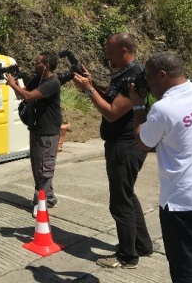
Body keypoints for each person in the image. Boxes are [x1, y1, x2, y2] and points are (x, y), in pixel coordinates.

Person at [129, 52, 192, 283]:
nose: (148, 83)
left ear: (163, 75)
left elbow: (143, 142)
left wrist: (138, 107)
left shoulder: (164, 109)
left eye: (150, 78)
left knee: (185, 262)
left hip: (183, 201)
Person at [72, 33, 153, 269]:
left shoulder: (135, 77)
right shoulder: (124, 74)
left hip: (125, 146)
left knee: (120, 203)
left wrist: (88, 90)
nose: (107, 57)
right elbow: (110, 97)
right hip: (122, 144)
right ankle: (143, 244)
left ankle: (127, 256)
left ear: (125, 50)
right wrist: (92, 84)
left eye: (111, 52)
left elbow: (111, 112)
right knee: (127, 195)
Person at [6, 51, 62, 218]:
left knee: (44, 168)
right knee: (38, 166)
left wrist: (11, 84)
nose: (34, 63)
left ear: (45, 65)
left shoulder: (53, 82)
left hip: (48, 131)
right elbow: (22, 94)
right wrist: (15, 82)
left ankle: (41, 203)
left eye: (38, 62)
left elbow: (29, 96)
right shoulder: (37, 79)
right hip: (36, 128)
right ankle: (49, 197)